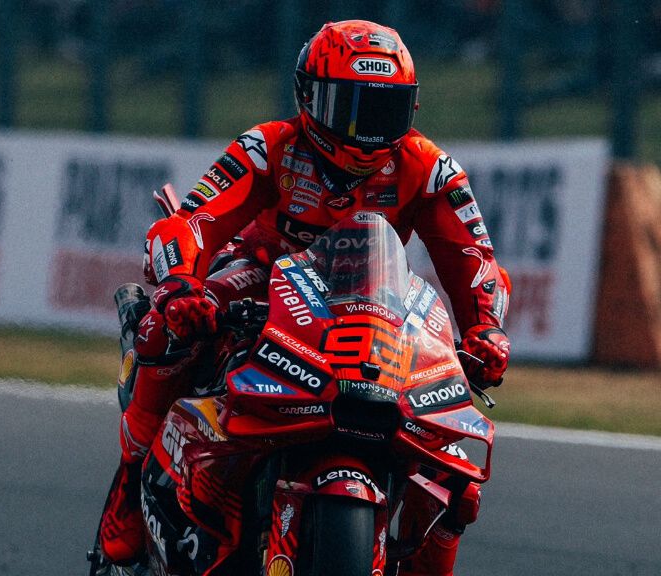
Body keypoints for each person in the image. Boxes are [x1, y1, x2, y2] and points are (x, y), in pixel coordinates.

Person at [98, 19, 511, 576]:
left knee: (454, 463)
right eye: (350, 107)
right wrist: (180, 286)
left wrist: (484, 328)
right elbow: (189, 223)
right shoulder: (269, 147)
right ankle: (129, 488)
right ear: (309, 97)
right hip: (261, 279)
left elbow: (477, 263)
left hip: (373, 301)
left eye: (383, 110)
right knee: (162, 331)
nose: (365, 130)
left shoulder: (430, 169)